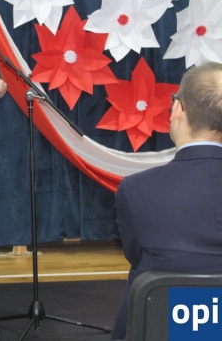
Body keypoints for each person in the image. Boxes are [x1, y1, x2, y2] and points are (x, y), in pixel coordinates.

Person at [111, 61, 222, 340]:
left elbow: (135, 255)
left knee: (143, 272)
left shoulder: (137, 189)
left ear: (177, 110)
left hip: (169, 323)